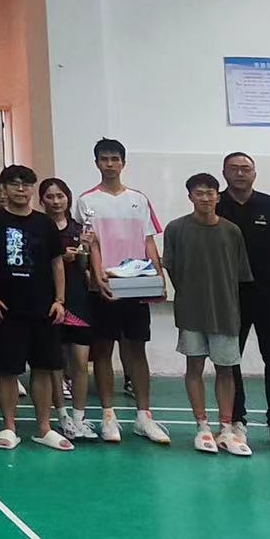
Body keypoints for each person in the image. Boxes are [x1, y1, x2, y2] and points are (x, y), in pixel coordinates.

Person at [76, 138, 170, 445]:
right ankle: (108, 416)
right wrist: (97, 276)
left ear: (123, 163)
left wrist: (159, 277)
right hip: (103, 288)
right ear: (96, 163)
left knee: (136, 350)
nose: (110, 164)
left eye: (115, 159)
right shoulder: (86, 201)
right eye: (104, 159)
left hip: (136, 285)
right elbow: (89, 244)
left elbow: (148, 241)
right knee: (103, 351)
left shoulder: (139, 200)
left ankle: (144, 417)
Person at [0, 165, 72, 451]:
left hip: (43, 307)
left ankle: (44, 428)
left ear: (32, 190)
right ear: (4, 189)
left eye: (26, 184)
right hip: (6, 308)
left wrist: (59, 300)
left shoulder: (44, 223)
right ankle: (9, 427)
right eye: (15, 184)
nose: (21, 189)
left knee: (43, 368)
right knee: (7, 370)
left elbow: (57, 262)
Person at [162, 173, 253, 456]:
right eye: (199, 193)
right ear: (190, 197)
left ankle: (225, 428)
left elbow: (240, 274)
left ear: (218, 196)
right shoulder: (176, 229)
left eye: (210, 193)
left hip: (226, 312)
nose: (205, 198)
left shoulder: (232, 231)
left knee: (226, 369)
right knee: (195, 367)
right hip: (191, 312)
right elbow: (172, 268)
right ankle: (202, 426)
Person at [218, 151, 270, 452]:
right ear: (224, 173)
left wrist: (262, 270)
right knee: (230, 359)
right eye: (234, 168)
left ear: (254, 173)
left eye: (246, 168)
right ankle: (236, 420)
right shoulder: (216, 204)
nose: (240, 173)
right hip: (230, 296)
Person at [43, 177, 96, 441]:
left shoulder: (79, 228)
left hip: (78, 300)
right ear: (42, 200)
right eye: (50, 196)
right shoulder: (39, 228)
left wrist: (86, 249)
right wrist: (58, 258)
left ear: (68, 198)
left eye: (60, 196)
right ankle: (62, 416)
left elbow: (87, 268)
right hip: (48, 301)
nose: (56, 201)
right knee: (54, 361)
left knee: (80, 363)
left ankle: (79, 417)